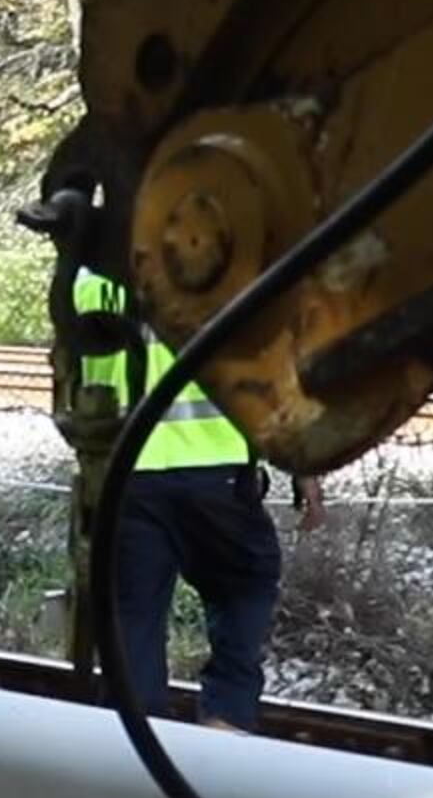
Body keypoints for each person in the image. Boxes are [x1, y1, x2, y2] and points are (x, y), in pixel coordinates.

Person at [69, 266, 322, 730]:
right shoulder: (229, 274)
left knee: (132, 619)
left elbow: (73, 377)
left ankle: (136, 736)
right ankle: (226, 718)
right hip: (217, 475)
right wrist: (302, 467)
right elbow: (276, 377)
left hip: (127, 478)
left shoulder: (91, 281)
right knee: (244, 587)